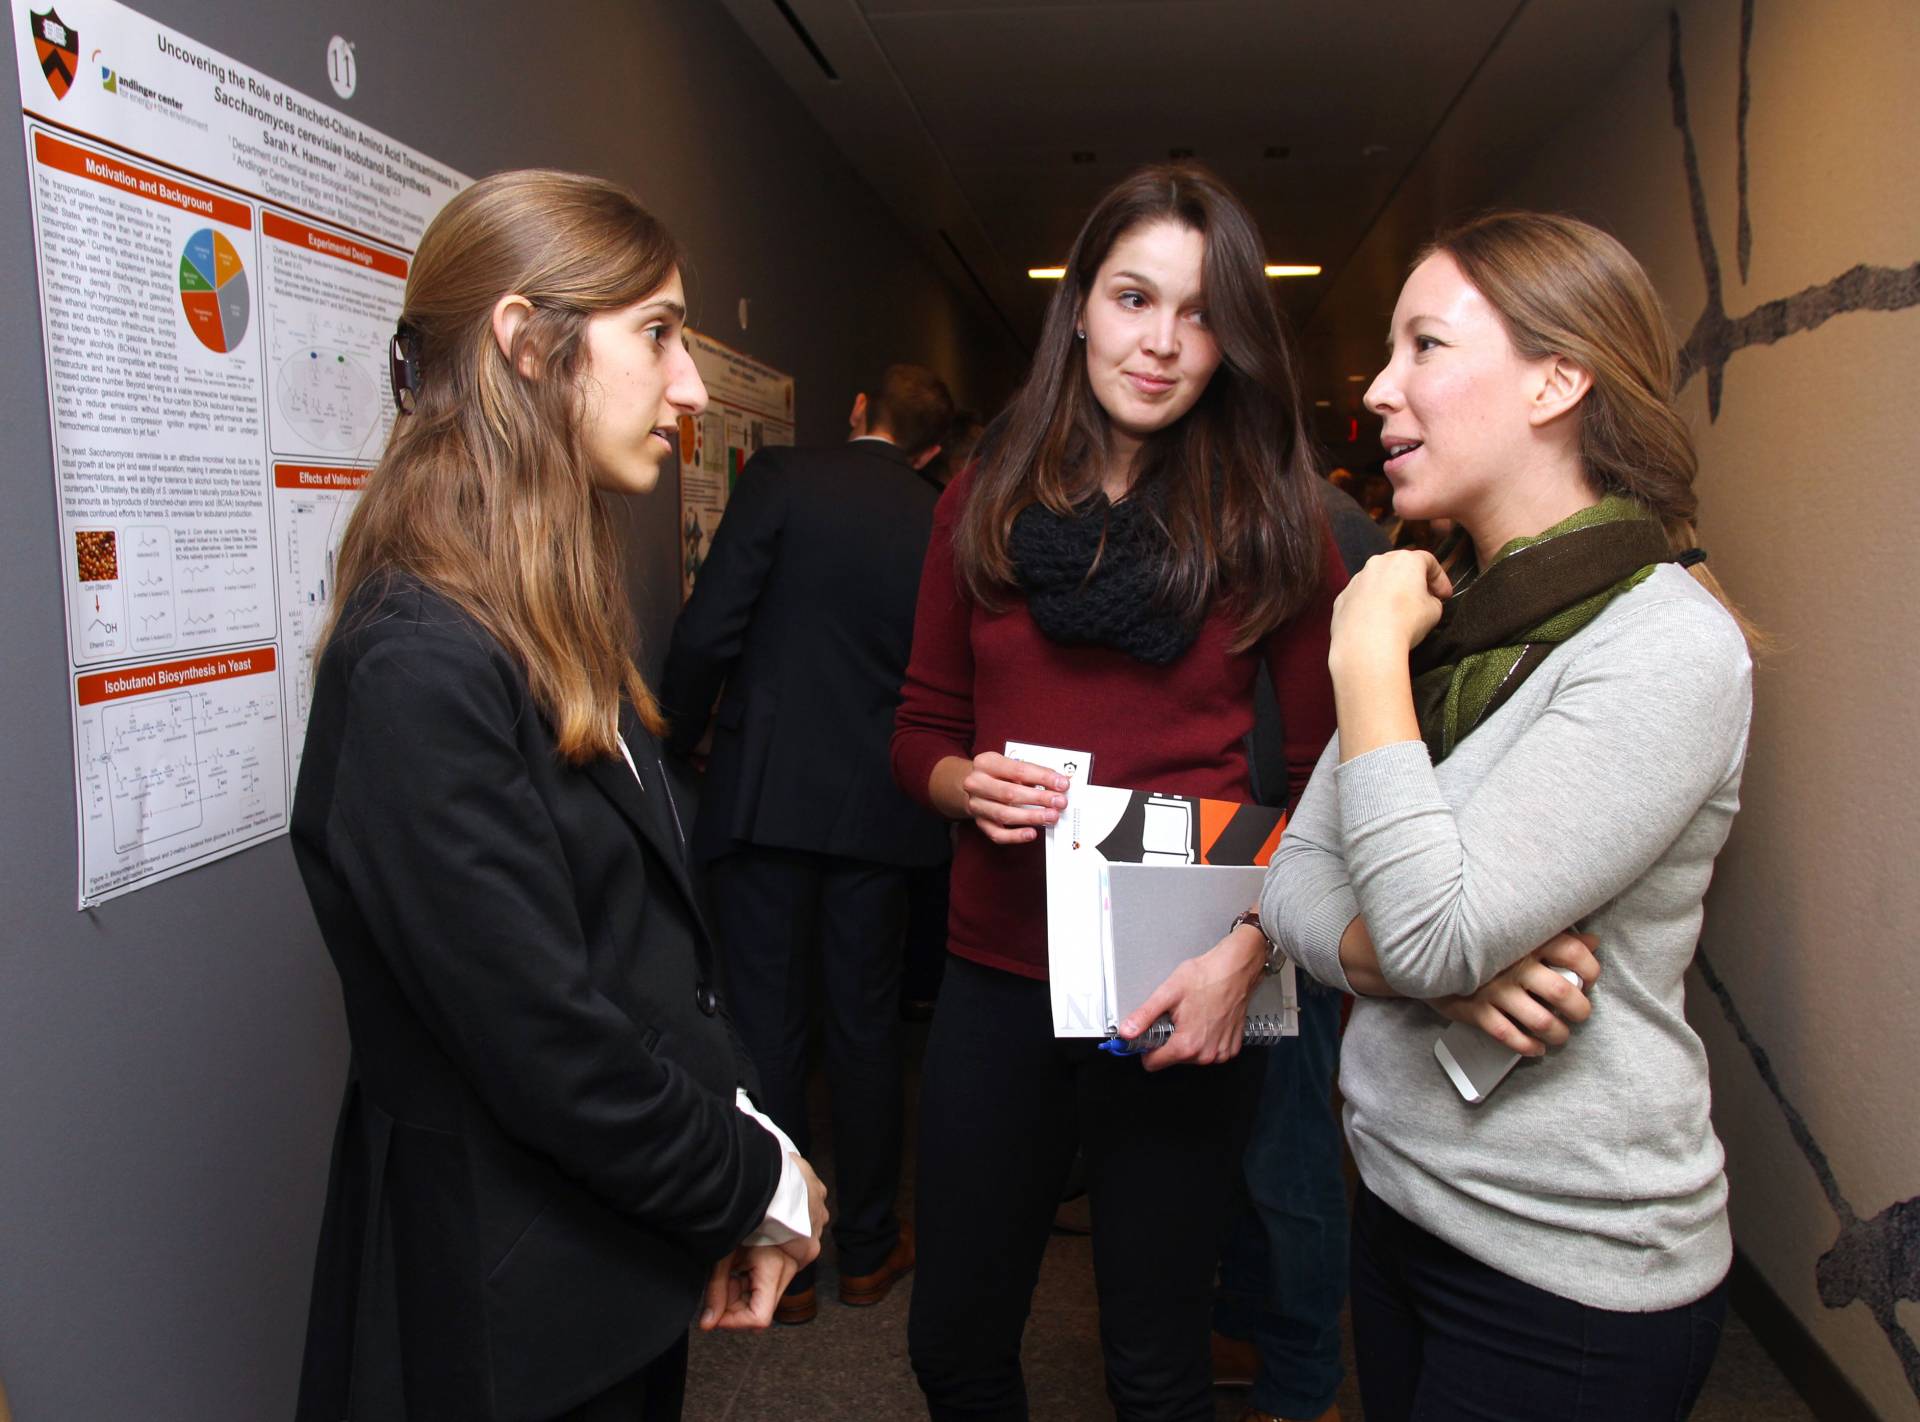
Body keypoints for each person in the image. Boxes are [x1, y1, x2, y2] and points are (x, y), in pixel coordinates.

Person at [290, 169, 826, 1422]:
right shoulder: (418, 660)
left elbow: (634, 952)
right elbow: (548, 1046)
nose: (690, 388)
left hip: (605, 1267)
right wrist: (760, 1180)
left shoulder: (535, 612)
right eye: (658, 334)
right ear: (526, 343)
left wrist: (737, 1132)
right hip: (505, 1321)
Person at [1261, 210, 1756, 1421]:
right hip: (1403, 1195)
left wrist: (1363, 655)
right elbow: (1293, 890)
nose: (1379, 389)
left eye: (1424, 345)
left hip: (1567, 1270)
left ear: (1557, 378)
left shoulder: (1664, 645)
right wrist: (1434, 970)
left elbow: (1430, 930)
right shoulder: (1456, 611)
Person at [891, 163, 1344, 1422]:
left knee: (1157, 1366)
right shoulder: (983, 500)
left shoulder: (1271, 516)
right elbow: (920, 724)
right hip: (992, 974)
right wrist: (956, 783)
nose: (1160, 341)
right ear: (1079, 307)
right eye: (1134, 297)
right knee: (955, 1342)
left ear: (1234, 338)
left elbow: (1323, 783)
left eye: (1199, 314)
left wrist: (1249, 953)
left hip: (1181, 986)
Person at [658, 362, 956, 1324]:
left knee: (764, 1026)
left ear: (857, 409)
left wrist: (676, 737)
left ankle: (776, 1257)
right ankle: (869, 1248)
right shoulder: (942, 515)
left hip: (765, 799)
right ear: (935, 447)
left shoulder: (782, 480)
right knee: (867, 1031)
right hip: (881, 811)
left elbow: (710, 631)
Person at [1211, 472, 1387, 1422]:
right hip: (1208, 856)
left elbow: (1351, 733)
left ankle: (1302, 1377)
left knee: (1284, 1147)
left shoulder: (1334, 527)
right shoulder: (1206, 501)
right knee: (1241, 1136)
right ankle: (1246, 1331)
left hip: (1290, 865)